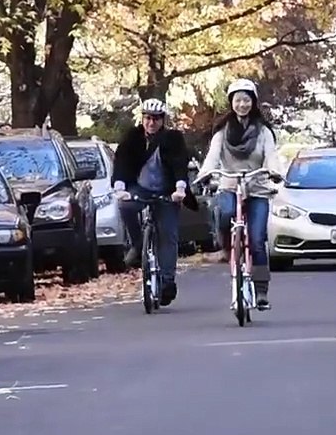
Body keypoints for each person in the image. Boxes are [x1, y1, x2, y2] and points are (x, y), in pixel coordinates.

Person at [196, 78, 286, 310]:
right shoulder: (222, 132)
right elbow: (212, 157)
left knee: (257, 239)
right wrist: (205, 174)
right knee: (225, 214)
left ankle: (261, 290)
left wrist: (274, 172)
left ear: (253, 102)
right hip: (230, 185)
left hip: (257, 186)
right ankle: (227, 248)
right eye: (238, 100)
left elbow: (271, 155)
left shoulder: (263, 131)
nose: (242, 105)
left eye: (246, 100)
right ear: (231, 103)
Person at [111, 98, 198, 306]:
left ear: (163, 120)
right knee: (125, 206)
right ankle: (138, 243)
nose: (151, 123)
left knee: (168, 235)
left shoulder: (173, 138)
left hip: (167, 191)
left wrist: (179, 189)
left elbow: (179, 163)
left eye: (156, 119)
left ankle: (167, 282)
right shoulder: (133, 137)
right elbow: (122, 161)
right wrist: (120, 187)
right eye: (148, 119)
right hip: (140, 188)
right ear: (142, 119)